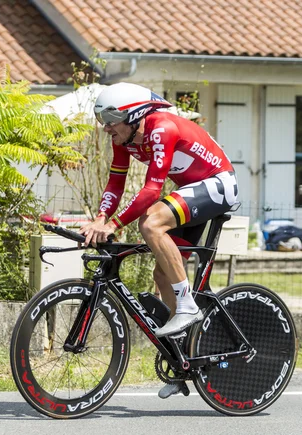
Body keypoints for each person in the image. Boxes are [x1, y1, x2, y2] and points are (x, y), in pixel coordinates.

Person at [79, 82, 238, 398]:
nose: (106, 128)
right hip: (190, 192)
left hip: (218, 185)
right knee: (161, 274)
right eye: (103, 121)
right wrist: (100, 218)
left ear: (134, 115)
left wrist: (115, 224)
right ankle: (184, 356)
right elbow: (115, 182)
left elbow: (152, 190)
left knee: (150, 224)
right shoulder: (124, 140)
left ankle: (188, 305)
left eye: (111, 121)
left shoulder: (161, 127)